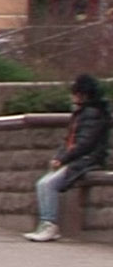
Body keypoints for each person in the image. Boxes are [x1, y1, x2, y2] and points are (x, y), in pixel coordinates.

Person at [27, 74, 110, 242]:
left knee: (48, 184)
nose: (72, 96)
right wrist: (59, 157)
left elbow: (85, 143)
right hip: (75, 159)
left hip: (88, 160)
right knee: (41, 183)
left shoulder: (93, 114)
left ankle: (49, 224)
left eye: (74, 93)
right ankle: (45, 223)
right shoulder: (81, 114)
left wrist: (64, 159)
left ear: (82, 94)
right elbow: (68, 140)